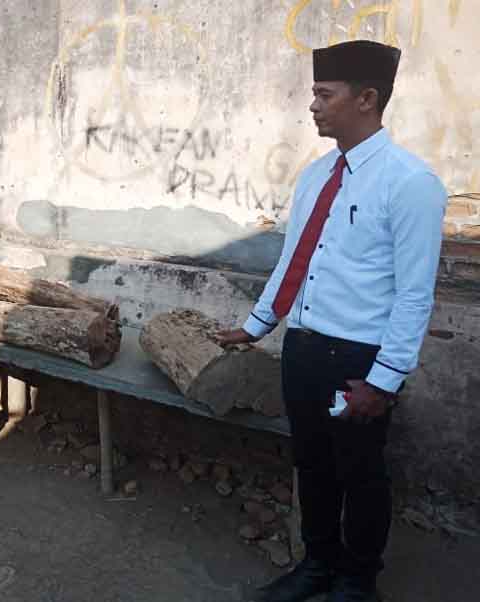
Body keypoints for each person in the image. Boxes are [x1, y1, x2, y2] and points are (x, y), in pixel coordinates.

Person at [218, 41, 446, 602]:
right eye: (314, 94)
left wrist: (384, 378)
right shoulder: (317, 175)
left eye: (325, 94)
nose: (313, 106)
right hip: (303, 349)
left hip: (359, 361)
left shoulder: (410, 182)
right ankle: (317, 565)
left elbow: (415, 295)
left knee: (361, 476)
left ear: (366, 99)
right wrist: (255, 326)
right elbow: (295, 260)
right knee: (313, 467)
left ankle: (357, 580)